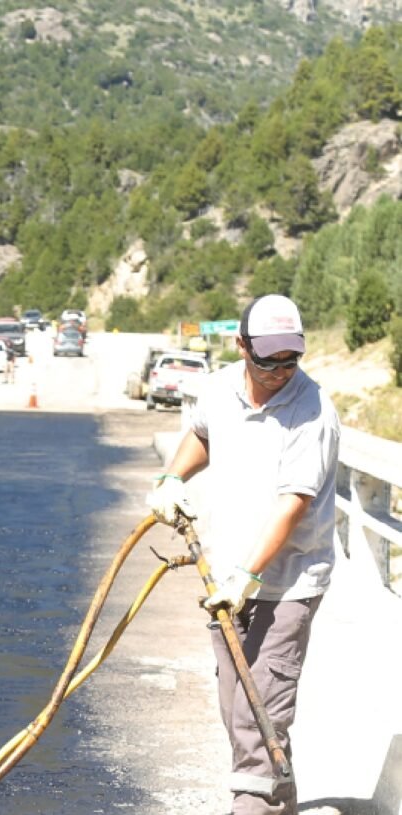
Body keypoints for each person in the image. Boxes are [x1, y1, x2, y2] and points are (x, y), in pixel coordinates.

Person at [146, 294, 340, 815]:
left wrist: (247, 577)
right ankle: (283, 804)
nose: (279, 370)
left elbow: (292, 504)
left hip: (287, 582)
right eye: (267, 359)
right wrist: (171, 477)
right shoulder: (220, 389)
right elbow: (202, 435)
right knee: (242, 709)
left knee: (258, 718)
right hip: (224, 579)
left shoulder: (312, 410)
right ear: (241, 347)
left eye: (290, 358)